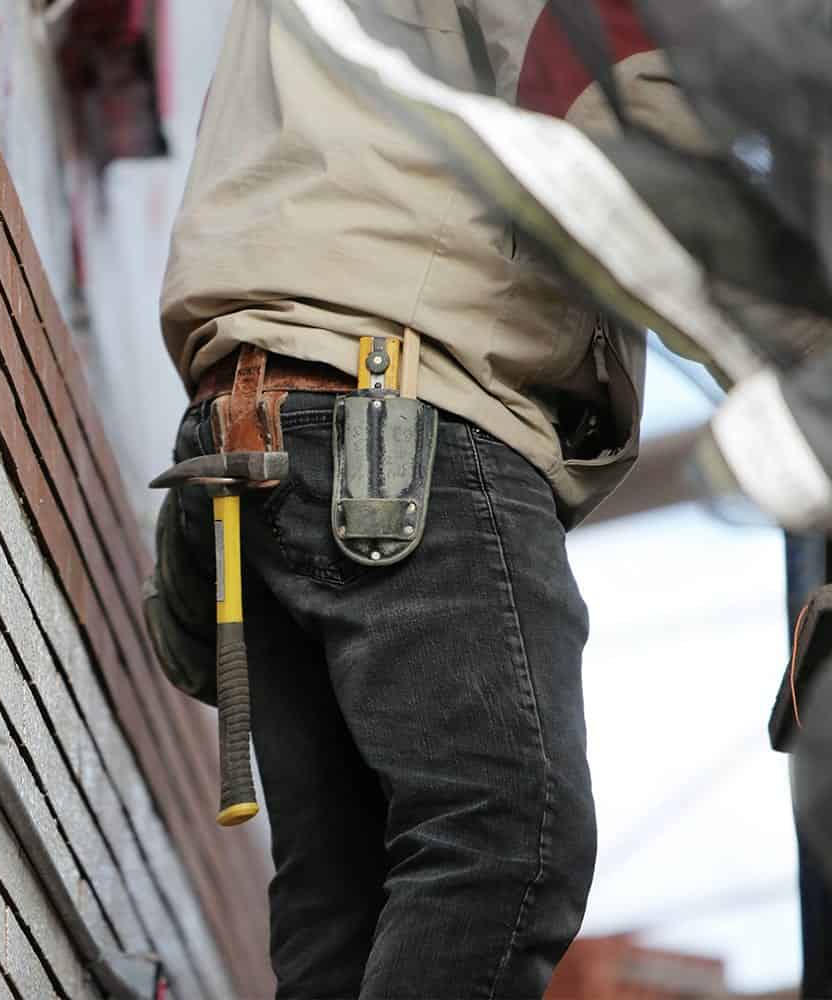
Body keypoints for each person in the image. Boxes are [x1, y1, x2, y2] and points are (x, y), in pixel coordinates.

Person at [157, 3, 692, 996]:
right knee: (507, 840)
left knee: (345, 905)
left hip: (265, 413)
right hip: (398, 416)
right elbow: (629, 143)